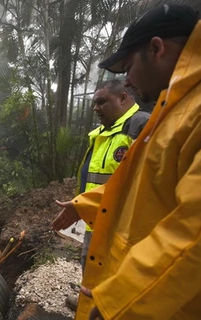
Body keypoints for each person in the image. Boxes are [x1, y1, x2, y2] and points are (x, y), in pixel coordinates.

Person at [51, 4, 201, 319]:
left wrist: (122, 301)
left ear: (156, 48)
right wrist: (84, 204)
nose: (126, 81)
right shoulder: (178, 106)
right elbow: (140, 181)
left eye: (128, 68)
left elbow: (198, 233)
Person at [64, 79, 149, 311]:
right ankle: (89, 304)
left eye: (102, 102)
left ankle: (109, 309)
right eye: (94, 103)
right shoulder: (103, 132)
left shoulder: (141, 126)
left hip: (125, 224)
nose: (95, 108)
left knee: (118, 271)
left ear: (123, 98)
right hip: (96, 218)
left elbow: (141, 183)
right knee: (91, 265)